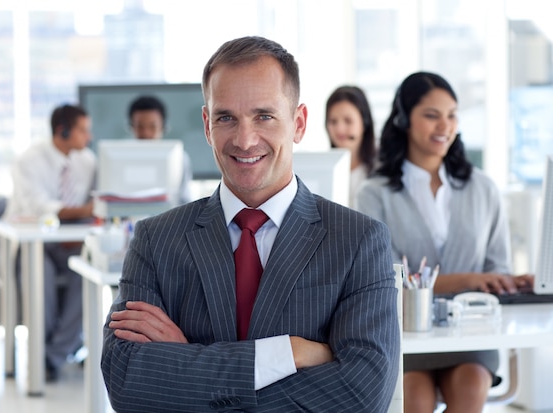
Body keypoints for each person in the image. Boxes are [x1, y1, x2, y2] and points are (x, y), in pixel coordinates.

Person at [102, 36, 400, 412]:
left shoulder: (358, 240)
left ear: (299, 122)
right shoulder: (155, 239)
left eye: (264, 116)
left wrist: (189, 360)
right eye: (227, 117)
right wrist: (286, 353)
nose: (245, 140)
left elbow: (363, 394)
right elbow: (128, 382)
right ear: (208, 125)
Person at [357, 71, 534, 413]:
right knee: (416, 398)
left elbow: (497, 266)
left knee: (470, 387)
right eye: (431, 115)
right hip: (407, 338)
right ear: (404, 120)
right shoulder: (373, 194)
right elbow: (384, 283)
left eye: (452, 115)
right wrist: (470, 280)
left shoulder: (483, 189)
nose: (445, 126)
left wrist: (505, 282)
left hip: (472, 334)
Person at [4, 103, 96, 381]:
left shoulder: (88, 161)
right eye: (83, 131)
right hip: (36, 244)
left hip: (71, 243)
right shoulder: (28, 161)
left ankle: (52, 356)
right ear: (63, 130)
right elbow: (41, 207)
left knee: (87, 276)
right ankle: (44, 353)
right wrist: (85, 211)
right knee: (39, 276)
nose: (88, 137)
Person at [128, 95, 193, 204]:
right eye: (140, 127)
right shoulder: (122, 156)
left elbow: (185, 199)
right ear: (131, 127)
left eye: (152, 127)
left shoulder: (180, 158)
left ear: (163, 127)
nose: (146, 133)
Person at [325, 85, 376, 208]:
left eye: (348, 121)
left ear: (364, 123)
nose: (339, 129)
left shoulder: (380, 171)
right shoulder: (324, 170)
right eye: (333, 121)